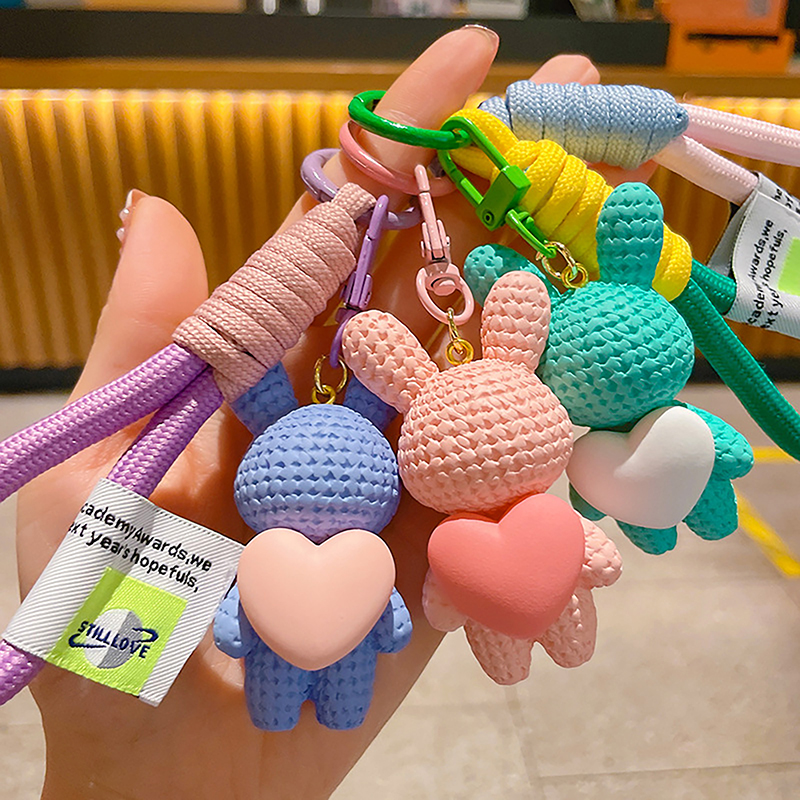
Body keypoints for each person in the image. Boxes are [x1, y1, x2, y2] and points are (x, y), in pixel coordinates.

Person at [15, 26, 649, 799]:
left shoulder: (354, 513)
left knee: (329, 681)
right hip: (272, 607)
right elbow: (330, 621)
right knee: (300, 679)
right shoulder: (305, 533)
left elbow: (378, 616)